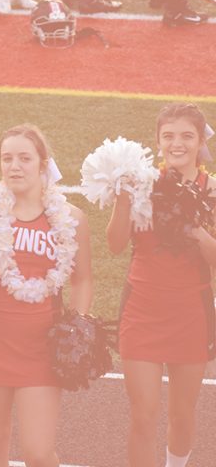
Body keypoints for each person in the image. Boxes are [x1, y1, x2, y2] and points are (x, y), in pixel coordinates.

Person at [0, 124, 93, 467]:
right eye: (7, 158)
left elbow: (82, 280)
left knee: (38, 453)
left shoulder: (71, 218)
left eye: (25, 158)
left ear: (43, 164)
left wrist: (78, 327)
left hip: (41, 348)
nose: (14, 166)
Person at [110, 104, 216, 467]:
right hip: (142, 310)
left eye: (187, 135)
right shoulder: (141, 185)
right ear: (157, 142)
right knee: (143, 415)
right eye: (168, 136)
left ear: (201, 141)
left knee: (182, 416)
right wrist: (123, 199)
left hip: (191, 315)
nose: (177, 143)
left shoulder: (213, 190)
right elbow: (114, 244)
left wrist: (196, 229)